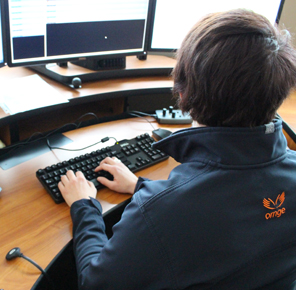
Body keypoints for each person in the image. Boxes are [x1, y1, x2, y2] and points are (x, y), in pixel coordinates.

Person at [58, 9, 296, 290]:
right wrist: (140, 186)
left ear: (182, 94)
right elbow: (231, 204)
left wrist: (84, 206)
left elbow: (94, 285)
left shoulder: (160, 213)